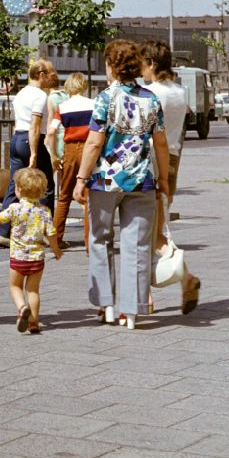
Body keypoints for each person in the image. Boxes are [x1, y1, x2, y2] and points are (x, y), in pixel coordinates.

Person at [74, 39, 169, 331]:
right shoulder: (151, 99)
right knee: (137, 245)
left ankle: (107, 306)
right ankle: (132, 310)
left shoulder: (105, 98)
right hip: (141, 181)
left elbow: (93, 142)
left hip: (105, 181)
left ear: (113, 67)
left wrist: (81, 179)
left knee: (100, 240)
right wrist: (163, 178)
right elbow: (161, 143)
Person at [140, 39, 201, 314]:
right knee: (155, 228)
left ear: (151, 64)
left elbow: (144, 132)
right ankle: (152, 292)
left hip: (151, 159)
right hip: (173, 159)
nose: (140, 70)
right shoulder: (179, 92)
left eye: (142, 64)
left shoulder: (149, 92)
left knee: (149, 232)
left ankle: (179, 280)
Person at [0, 168, 62, 334]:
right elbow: (52, 234)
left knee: (15, 286)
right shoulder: (44, 211)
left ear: (18, 189)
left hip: (18, 258)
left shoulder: (14, 209)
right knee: (33, 290)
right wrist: (56, 251)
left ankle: (22, 307)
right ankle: (34, 322)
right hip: (37, 259)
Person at [0, 60, 56, 249]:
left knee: (14, 184)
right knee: (47, 185)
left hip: (17, 139)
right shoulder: (40, 96)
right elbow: (35, 125)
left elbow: (18, 121)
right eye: (50, 73)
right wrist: (35, 152)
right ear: (42, 74)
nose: (53, 76)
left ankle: (2, 233)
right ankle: (44, 233)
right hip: (30, 140)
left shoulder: (20, 94)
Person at [46, 72, 95, 249]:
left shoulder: (64, 107)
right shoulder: (93, 104)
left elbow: (51, 132)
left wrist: (54, 155)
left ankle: (56, 240)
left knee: (64, 196)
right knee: (89, 197)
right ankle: (90, 244)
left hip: (70, 150)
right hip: (89, 149)